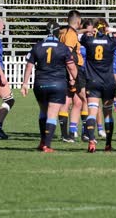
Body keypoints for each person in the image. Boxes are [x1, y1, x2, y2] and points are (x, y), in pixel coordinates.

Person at [20, 21, 78, 152]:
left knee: (43, 112)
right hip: (58, 84)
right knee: (52, 114)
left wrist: (24, 83)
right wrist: (76, 80)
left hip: (40, 84)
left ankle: (42, 142)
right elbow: (71, 66)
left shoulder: (37, 46)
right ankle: (47, 145)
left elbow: (29, 65)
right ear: (58, 33)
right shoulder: (63, 47)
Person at [80, 18, 116, 152]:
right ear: (106, 29)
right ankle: (108, 144)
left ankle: (91, 141)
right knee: (108, 114)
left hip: (93, 81)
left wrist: (87, 30)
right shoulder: (111, 41)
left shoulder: (88, 40)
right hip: (108, 82)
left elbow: (75, 33)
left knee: (92, 113)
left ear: (95, 29)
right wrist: (115, 30)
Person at [58, 10, 87, 143]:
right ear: (78, 22)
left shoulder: (63, 31)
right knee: (83, 99)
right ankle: (84, 132)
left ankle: (72, 132)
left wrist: (85, 31)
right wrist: (71, 75)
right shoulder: (70, 35)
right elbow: (68, 54)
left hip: (68, 69)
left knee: (77, 101)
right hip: (73, 69)